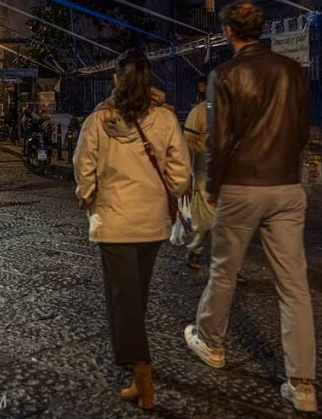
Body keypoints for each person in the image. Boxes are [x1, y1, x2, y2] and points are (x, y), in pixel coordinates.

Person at [184, 0, 317, 413]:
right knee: (294, 285)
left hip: (242, 185)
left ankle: (212, 343)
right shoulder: (292, 71)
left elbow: (218, 139)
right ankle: (302, 384)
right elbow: (300, 129)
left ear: (229, 32)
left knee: (224, 270)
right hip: (284, 184)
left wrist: (212, 185)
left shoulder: (224, 74)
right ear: (260, 30)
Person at [73, 49, 190, 410]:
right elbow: (181, 174)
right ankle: (139, 375)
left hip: (114, 224)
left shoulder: (98, 122)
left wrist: (90, 199)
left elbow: (84, 169)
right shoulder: (166, 119)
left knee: (124, 301)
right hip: (152, 224)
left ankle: (143, 377)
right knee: (134, 300)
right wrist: (163, 193)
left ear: (115, 79)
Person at [183, 76, 215, 271]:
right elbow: (188, 144)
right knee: (205, 216)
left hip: (228, 172)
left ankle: (230, 267)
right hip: (205, 170)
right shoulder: (200, 112)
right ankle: (195, 250)